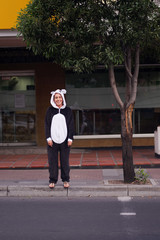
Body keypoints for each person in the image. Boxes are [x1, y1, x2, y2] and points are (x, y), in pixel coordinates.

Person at [45, 89, 74, 189]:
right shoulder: (50, 110)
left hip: (65, 140)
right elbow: (47, 125)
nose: (58, 99)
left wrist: (70, 138)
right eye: (56, 97)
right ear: (53, 99)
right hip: (52, 141)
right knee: (52, 161)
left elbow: (71, 125)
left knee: (64, 161)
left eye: (59, 97)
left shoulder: (68, 110)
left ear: (62, 98)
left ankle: (66, 179)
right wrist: (48, 137)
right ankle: (52, 180)